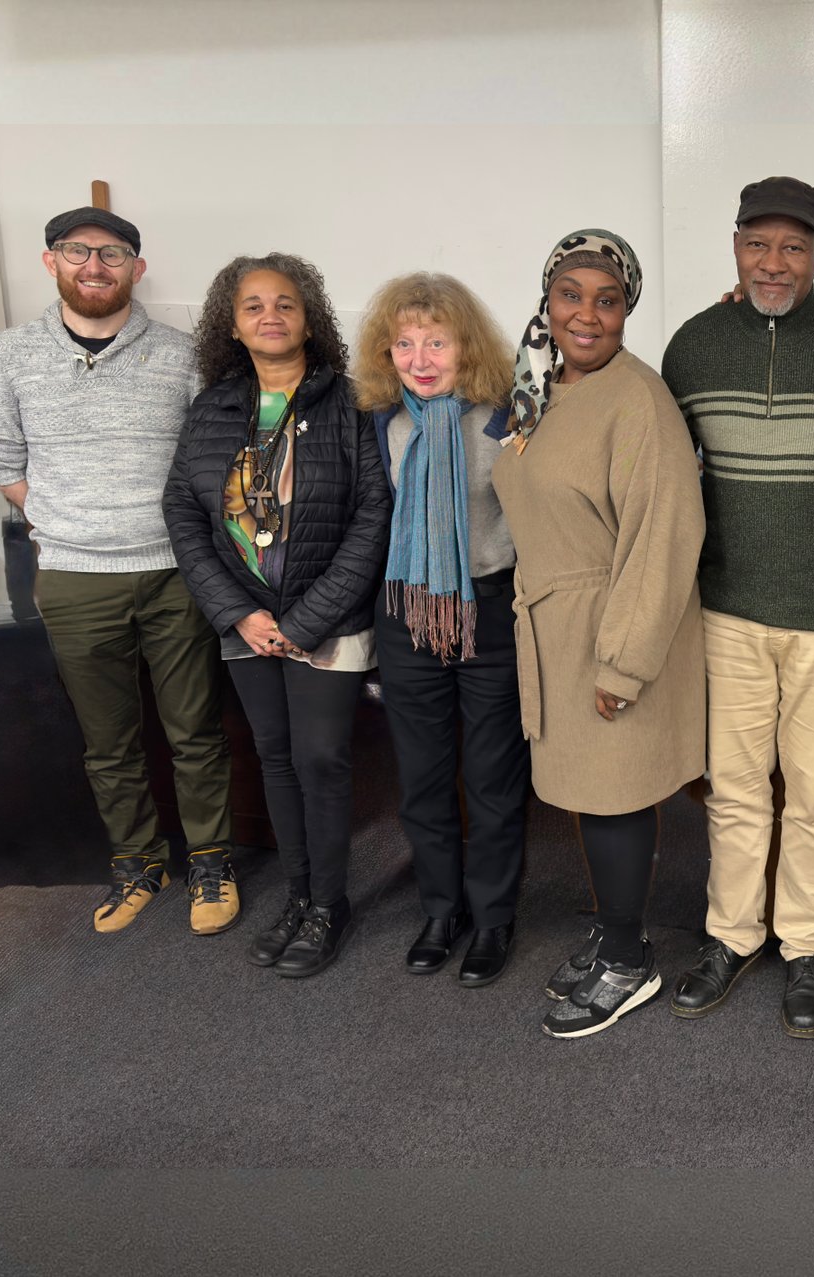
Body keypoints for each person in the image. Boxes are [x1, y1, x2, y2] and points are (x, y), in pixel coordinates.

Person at [660, 177, 814, 1038]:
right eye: (758, 243)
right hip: (727, 607)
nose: (773, 262)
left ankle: (807, 946)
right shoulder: (693, 347)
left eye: (793, 246)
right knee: (733, 790)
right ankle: (732, 936)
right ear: (734, 246)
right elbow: (665, 479)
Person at [0, 206, 237, 938]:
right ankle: (137, 862)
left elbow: (212, 459)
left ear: (136, 269)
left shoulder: (182, 355)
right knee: (109, 740)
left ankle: (211, 859)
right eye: (78, 251)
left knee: (195, 730)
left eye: (113, 253)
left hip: (178, 570)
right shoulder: (10, 355)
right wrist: (65, 517)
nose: (95, 265)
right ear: (50, 261)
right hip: (75, 577)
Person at [493, 228, 706, 1038]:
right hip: (555, 624)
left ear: (627, 310)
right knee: (591, 796)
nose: (588, 314)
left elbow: (664, 536)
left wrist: (623, 661)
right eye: (572, 295)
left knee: (614, 799)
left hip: (614, 621)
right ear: (547, 300)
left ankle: (629, 964)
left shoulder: (637, 398)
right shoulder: (536, 391)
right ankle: (619, 932)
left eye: (608, 300)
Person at [163, 253, 391, 978]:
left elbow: (373, 514)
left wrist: (310, 615)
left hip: (328, 620)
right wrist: (237, 612)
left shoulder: (351, 403)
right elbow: (182, 511)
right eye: (254, 305)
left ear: (308, 316)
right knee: (277, 758)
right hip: (246, 624)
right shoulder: (211, 408)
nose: (270, 315)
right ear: (231, 324)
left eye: (285, 303)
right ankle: (297, 896)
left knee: (321, 759)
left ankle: (329, 904)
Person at [353, 273, 528, 987]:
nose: (420, 358)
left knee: (492, 778)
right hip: (407, 613)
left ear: (467, 347)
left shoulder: (506, 419)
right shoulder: (383, 421)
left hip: (488, 610)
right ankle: (440, 908)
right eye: (405, 343)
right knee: (423, 780)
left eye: (437, 342)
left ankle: (492, 917)